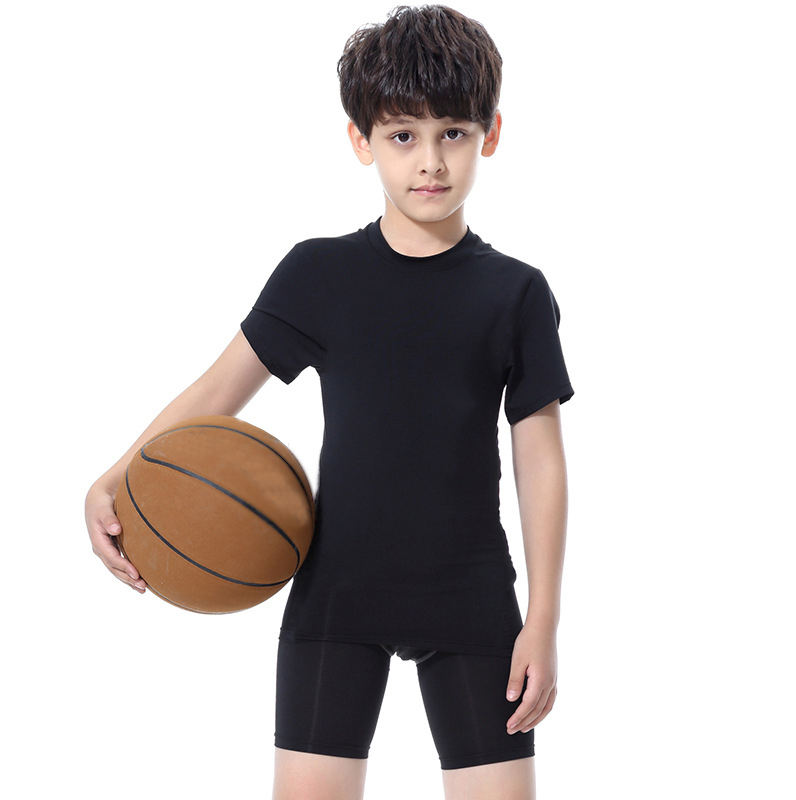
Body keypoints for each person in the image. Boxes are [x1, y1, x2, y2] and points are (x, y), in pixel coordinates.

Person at [84, 5, 575, 799]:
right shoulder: (319, 274)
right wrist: (112, 479)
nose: (430, 162)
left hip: (473, 595)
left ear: (490, 134)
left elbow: (540, 457)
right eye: (402, 135)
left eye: (452, 132)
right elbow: (216, 395)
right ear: (360, 140)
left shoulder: (515, 292)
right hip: (337, 593)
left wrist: (543, 618)